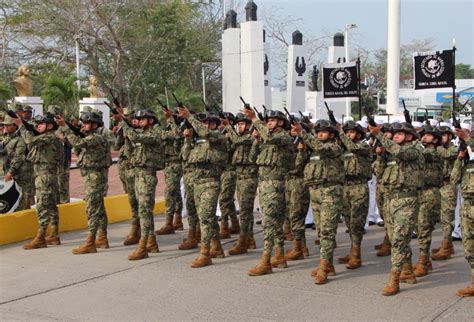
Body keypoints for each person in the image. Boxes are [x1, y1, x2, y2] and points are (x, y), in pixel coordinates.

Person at [368, 122, 423, 296]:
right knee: (396, 239)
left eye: (399, 133)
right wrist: (379, 156)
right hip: (390, 200)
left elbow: (401, 152)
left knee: (399, 239)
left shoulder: (414, 150)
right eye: (394, 134)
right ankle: (408, 271)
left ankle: (394, 279)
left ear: (408, 136)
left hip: (407, 200)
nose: (396, 136)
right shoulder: (391, 152)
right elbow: (378, 172)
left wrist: (380, 136)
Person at [292, 120, 344, 284]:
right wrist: (301, 152)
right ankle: (328, 265)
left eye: (324, 132)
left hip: (330, 192)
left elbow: (321, 147)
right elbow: (297, 168)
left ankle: (324, 268)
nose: (320, 134)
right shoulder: (312, 150)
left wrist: (303, 133)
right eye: (318, 131)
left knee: (327, 231)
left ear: (332, 134)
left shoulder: (333, 148)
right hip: (315, 192)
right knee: (321, 231)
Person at [243, 108, 293, 276]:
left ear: (280, 122)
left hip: (275, 184)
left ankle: (266, 261)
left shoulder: (283, 137)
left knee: (269, 223)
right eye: (267, 120)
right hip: (264, 183)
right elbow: (251, 159)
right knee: (275, 222)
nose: (268, 123)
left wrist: (255, 120)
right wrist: (256, 141)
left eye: (272, 120)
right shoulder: (267, 139)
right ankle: (279, 256)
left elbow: (271, 137)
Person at [178, 108, 227, 268]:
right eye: (203, 123)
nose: (205, 126)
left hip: (210, 182)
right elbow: (185, 157)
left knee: (205, 218)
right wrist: (187, 140)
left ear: (214, 125)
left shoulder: (217, 137)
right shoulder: (198, 141)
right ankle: (217, 247)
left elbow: (206, 134)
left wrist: (190, 118)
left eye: (208, 123)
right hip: (197, 183)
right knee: (208, 217)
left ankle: (205, 253)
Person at [56, 112, 109, 254]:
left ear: (94, 125)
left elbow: (77, 143)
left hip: (95, 177)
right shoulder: (90, 137)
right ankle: (102, 237)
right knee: (99, 207)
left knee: (92, 208)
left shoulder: (96, 137)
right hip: (91, 176)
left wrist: (65, 128)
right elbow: (77, 145)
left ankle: (91, 242)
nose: (83, 125)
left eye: (86, 123)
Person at [119, 109, 164, 260]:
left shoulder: (154, 133)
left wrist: (126, 126)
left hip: (147, 175)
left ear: (150, 121)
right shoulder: (142, 134)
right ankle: (151, 242)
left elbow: (136, 137)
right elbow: (130, 149)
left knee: (144, 210)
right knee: (142, 210)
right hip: (138, 173)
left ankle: (143, 246)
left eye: (142, 119)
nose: (139, 121)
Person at [17, 114, 61, 249]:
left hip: (45, 176)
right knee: (51, 206)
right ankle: (54, 234)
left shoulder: (49, 137)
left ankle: (41, 237)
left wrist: (21, 126)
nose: (38, 126)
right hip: (47, 175)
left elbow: (29, 141)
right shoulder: (47, 137)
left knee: (42, 206)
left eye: (41, 124)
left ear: (50, 126)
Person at [337, 121, 373, 269]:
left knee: (357, 223)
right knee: (348, 221)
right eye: (346, 132)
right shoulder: (343, 149)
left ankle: (356, 255)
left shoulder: (363, 146)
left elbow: (353, 147)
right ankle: (352, 251)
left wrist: (340, 133)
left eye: (351, 132)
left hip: (359, 187)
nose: (348, 135)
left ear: (358, 134)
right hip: (345, 187)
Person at [224, 112, 259, 255]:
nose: (239, 126)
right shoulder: (238, 137)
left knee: (245, 210)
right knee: (245, 210)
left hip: (249, 176)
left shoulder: (250, 137)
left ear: (249, 125)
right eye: (238, 124)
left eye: (242, 124)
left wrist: (228, 127)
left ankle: (244, 241)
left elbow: (237, 141)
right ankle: (249, 239)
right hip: (240, 175)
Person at [413, 125, 442, 276]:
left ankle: (423, 262)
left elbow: (421, 155)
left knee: (424, 227)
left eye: (428, 135)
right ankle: (425, 259)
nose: (424, 137)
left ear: (435, 139)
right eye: (422, 135)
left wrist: (413, 140)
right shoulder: (422, 151)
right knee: (419, 227)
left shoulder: (436, 153)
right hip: (420, 192)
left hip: (431, 192)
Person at [450, 127, 474, 297]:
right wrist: (460, 158)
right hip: (468, 206)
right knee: (469, 247)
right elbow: (453, 179)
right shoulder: (467, 161)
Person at [113, 108, 141, 245]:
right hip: (124, 167)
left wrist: (126, 127)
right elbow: (116, 146)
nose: (131, 119)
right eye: (130, 117)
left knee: (138, 200)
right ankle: (137, 228)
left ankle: (137, 229)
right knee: (131, 199)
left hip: (136, 169)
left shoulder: (140, 131)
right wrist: (119, 133)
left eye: (132, 117)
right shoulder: (125, 129)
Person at [156, 108, 184, 235]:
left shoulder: (180, 128)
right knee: (175, 192)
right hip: (168, 163)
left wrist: (171, 120)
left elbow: (176, 134)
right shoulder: (169, 127)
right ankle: (177, 220)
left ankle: (169, 223)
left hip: (175, 163)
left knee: (169, 192)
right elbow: (161, 136)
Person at [432, 123, 458, 260]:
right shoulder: (438, 148)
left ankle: (446, 246)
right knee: (442, 217)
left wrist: (437, 145)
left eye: (443, 135)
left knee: (447, 217)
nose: (441, 138)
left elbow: (447, 154)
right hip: (439, 184)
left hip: (449, 185)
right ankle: (448, 244)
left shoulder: (453, 148)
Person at [1, 115, 31, 210]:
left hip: (21, 173)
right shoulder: (6, 138)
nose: (5, 127)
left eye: (8, 125)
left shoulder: (20, 139)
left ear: (15, 126)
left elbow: (18, 158)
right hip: (10, 171)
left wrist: (10, 173)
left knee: (23, 199)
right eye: (4, 125)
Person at [218, 112, 240, 238]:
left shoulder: (234, 135)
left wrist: (228, 137)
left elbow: (232, 148)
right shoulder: (219, 134)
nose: (221, 125)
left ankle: (224, 227)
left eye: (224, 122)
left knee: (225, 198)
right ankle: (235, 224)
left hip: (230, 170)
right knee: (228, 199)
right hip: (221, 169)